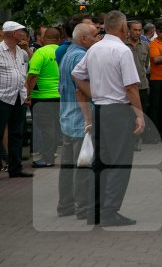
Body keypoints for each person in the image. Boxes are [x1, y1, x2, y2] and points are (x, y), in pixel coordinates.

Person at [72, 10, 145, 227]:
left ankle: (94, 210)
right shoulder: (122, 51)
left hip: (100, 110)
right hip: (118, 111)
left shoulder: (95, 48)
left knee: (100, 163)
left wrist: (94, 92)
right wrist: (139, 114)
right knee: (120, 163)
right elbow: (131, 87)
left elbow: (77, 74)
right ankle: (110, 211)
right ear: (123, 28)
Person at [57, 23, 98, 219]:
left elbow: (61, 87)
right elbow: (83, 90)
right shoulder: (81, 56)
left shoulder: (67, 54)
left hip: (67, 117)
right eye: (95, 35)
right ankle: (83, 208)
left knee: (67, 167)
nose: (98, 39)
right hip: (81, 119)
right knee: (82, 166)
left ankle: (65, 206)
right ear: (83, 39)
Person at [0, 21, 33, 178]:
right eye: (21, 31)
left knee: (17, 133)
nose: (24, 34)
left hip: (18, 98)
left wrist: (26, 93)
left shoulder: (21, 52)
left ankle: (15, 168)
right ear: (13, 34)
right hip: (2, 97)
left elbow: (23, 73)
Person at [26, 27, 62, 168]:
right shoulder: (62, 52)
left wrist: (27, 94)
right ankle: (50, 155)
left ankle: (47, 158)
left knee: (45, 128)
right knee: (53, 126)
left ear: (43, 39)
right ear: (58, 39)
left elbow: (33, 74)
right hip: (58, 96)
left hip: (42, 96)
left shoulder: (40, 53)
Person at [126, 21, 152, 147]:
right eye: (135, 30)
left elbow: (146, 65)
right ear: (129, 30)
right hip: (127, 86)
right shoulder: (123, 45)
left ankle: (137, 139)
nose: (137, 32)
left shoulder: (145, 45)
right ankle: (129, 139)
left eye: (139, 30)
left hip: (142, 85)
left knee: (142, 112)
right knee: (129, 114)